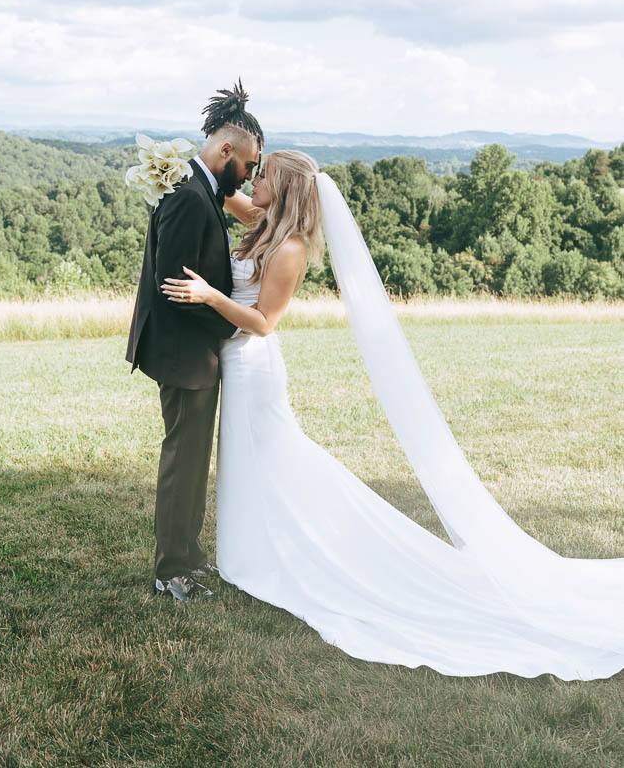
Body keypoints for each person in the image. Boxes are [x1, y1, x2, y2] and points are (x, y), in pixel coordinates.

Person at [160, 149, 624, 680]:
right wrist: (177, 166)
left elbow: (263, 322)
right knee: (249, 465)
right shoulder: (265, 221)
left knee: (277, 459)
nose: (253, 179)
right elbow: (220, 192)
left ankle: (301, 549)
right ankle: (253, 551)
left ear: (285, 190)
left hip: (254, 366)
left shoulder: (288, 247)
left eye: (264, 176)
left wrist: (210, 294)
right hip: (236, 365)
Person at [126, 81, 263, 602]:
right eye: (247, 165)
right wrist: (230, 326)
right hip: (185, 355)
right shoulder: (188, 196)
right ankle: (171, 569)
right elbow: (173, 288)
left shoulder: (203, 188)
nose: (248, 177)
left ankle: (189, 555)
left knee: (193, 458)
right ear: (225, 151)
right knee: (183, 462)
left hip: (196, 353)